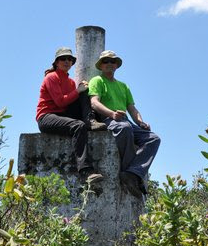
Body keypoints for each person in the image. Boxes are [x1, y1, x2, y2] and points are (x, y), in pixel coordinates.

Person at [88, 50, 161, 197]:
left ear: (116, 65)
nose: (109, 64)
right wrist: (111, 113)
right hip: (108, 118)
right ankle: (130, 174)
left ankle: (132, 173)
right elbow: (94, 103)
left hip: (124, 119)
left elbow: (132, 108)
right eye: (106, 61)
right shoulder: (97, 80)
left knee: (153, 138)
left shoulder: (123, 86)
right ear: (101, 65)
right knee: (125, 128)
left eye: (112, 61)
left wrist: (140, 122)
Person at [36, 47, 106, 184]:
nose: (67, 61)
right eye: (63, 59)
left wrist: (81, 90)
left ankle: (90, 121)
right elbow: (60, 102)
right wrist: (78, 91)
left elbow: (71, 101)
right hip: (47, 117)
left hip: (62, 114)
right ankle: (85, 171)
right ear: (56, 62)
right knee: (78, 126)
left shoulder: (71, 82)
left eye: (69, 59)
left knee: (85, 91)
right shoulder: (51, 77)